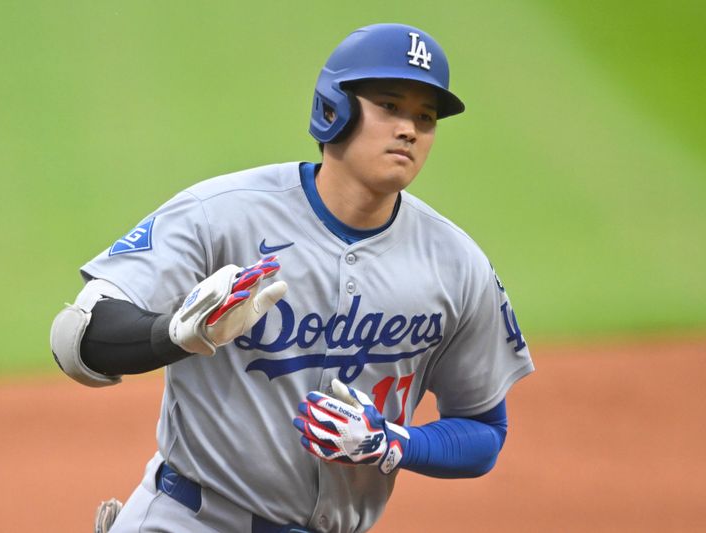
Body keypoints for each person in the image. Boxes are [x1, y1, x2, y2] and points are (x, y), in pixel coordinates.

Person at [50, 23, 534, 533]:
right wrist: (174, 334)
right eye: (390, 106)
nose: (410, 129)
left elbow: (484, 432)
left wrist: (393, 442)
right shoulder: (221, 215)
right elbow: (76, 338)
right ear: (334, 109)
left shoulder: (458, 264)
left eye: (426, 116)